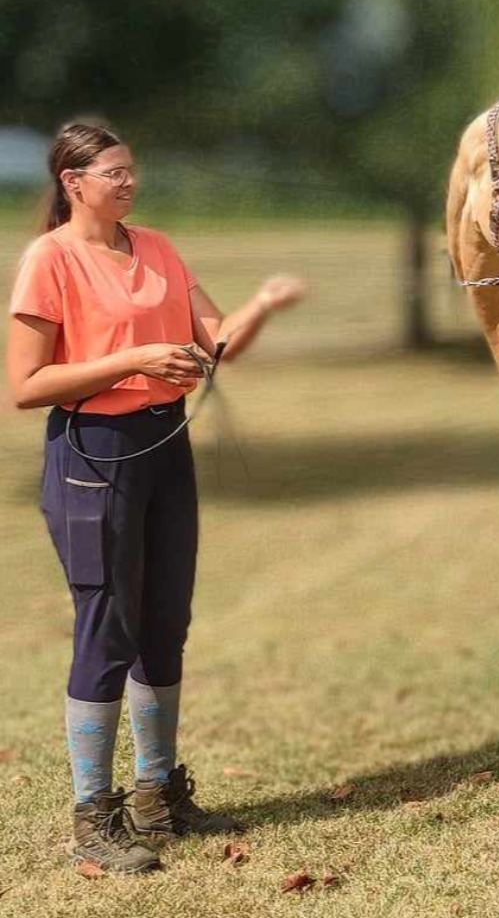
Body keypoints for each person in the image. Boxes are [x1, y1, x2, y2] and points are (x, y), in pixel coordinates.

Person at [6, 121, 306, 874]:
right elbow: (25, 387)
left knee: (165, 622)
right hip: (92, 455)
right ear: (74, 183)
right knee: (108, 630)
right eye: (113, 173)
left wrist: (261, 306)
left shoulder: (160, 248)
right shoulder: (50, 260)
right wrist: (133, 358)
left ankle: (155, 795)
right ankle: (92, 816)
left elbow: (216, 343)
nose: (128, 182)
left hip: (166, 447)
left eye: (131, 169)